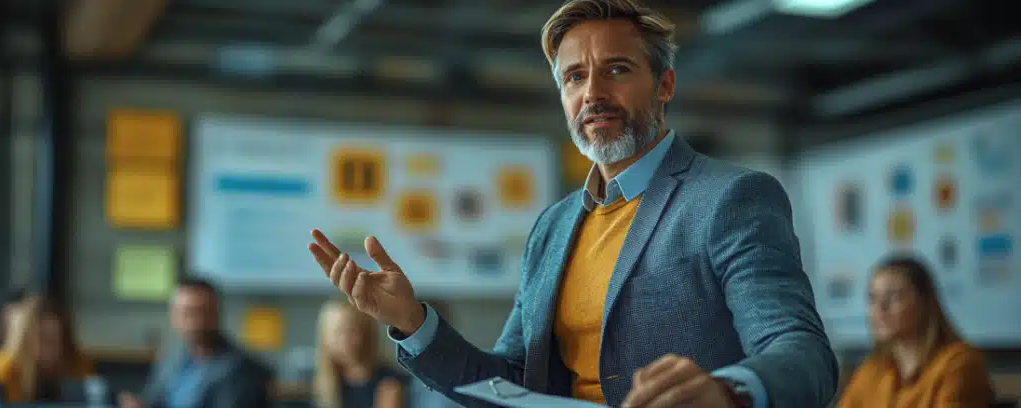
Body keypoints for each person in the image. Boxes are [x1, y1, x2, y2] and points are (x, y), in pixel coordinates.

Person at [307, 0, 837, 407]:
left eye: (618, 70)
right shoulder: (552, 227)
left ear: (665, 84)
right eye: (574, 77)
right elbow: (508, 384)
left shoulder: (731, 198)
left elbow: (802, 352)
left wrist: (730, 392)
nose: (593, 93)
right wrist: (412, 321)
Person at [837, 256, 993, 408]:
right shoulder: (871, 370)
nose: (880, 308)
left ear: (924, 302)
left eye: (893, 296)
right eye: (872, 298)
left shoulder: (959, 363)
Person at [118, 278, 273, 408]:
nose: (196, 322)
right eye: (187, 313)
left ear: (217, 314)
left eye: (204, 312)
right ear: (174, 316)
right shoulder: (172, 359)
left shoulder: (242, 369)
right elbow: (155, 401)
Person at [0, 295, 95, 402]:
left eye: (60, 339)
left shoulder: (77, 366)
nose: (54, 349)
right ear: (26, 340)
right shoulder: (4, 371)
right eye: (45, 339)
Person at [314, 300, 406, 408]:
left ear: (367, 333)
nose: (345, 340)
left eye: (351, 331)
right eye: (337, 332)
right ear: (325, 338)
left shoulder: (389, 383)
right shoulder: (323, 384)